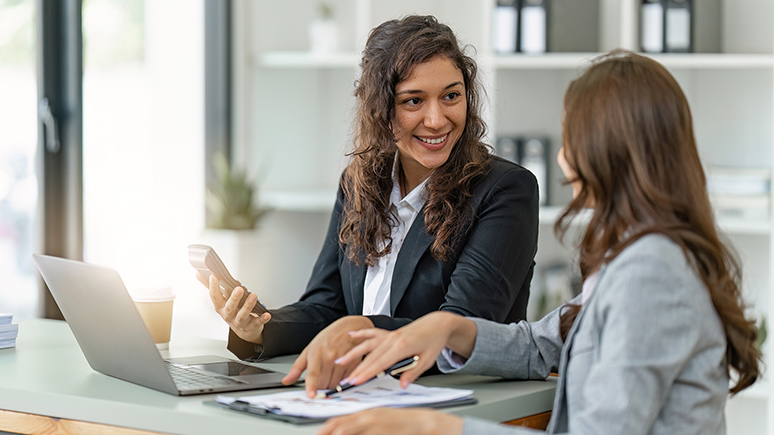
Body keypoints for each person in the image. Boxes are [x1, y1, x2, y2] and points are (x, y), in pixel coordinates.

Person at [317, 50, 762, 435]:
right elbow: (540, 345)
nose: (563, 159)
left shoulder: (652, 273)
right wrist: (449, 329)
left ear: (608, 150)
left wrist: (438, 427)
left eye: (571, 139)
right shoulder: (634, 256)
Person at [200, 15, 539, 396]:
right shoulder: (359, 182)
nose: (436, 119)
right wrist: (259, 326)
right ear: (380, 109)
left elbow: (461, 326)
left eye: (451, 96)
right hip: (362, 391)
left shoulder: (505, 190)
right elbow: (326, 308)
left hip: (456, 400)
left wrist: (360, 328)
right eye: (414, 101)